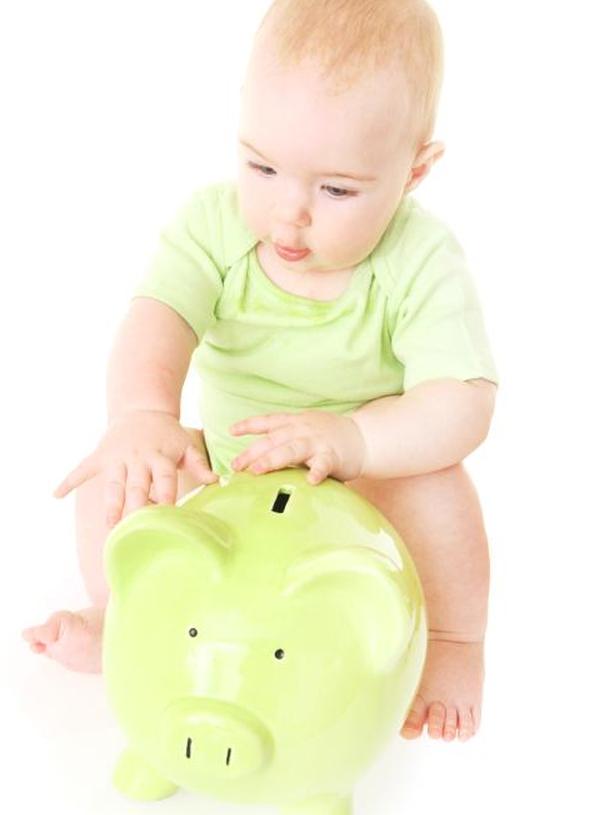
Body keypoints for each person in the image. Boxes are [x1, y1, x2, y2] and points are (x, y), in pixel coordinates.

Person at [22, 0, 498, 743]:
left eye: (336, 189)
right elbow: (157, 318)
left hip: (364, 483)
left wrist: (356, 439)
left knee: (441, 495)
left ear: (414, 170)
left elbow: (462, 401)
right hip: (229, 464)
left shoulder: (420, 260)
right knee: (118, 478)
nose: (288, 212)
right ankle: (124, 612)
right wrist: (143, 416)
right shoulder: (213, 227)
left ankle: (450, 643)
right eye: (262, 166)